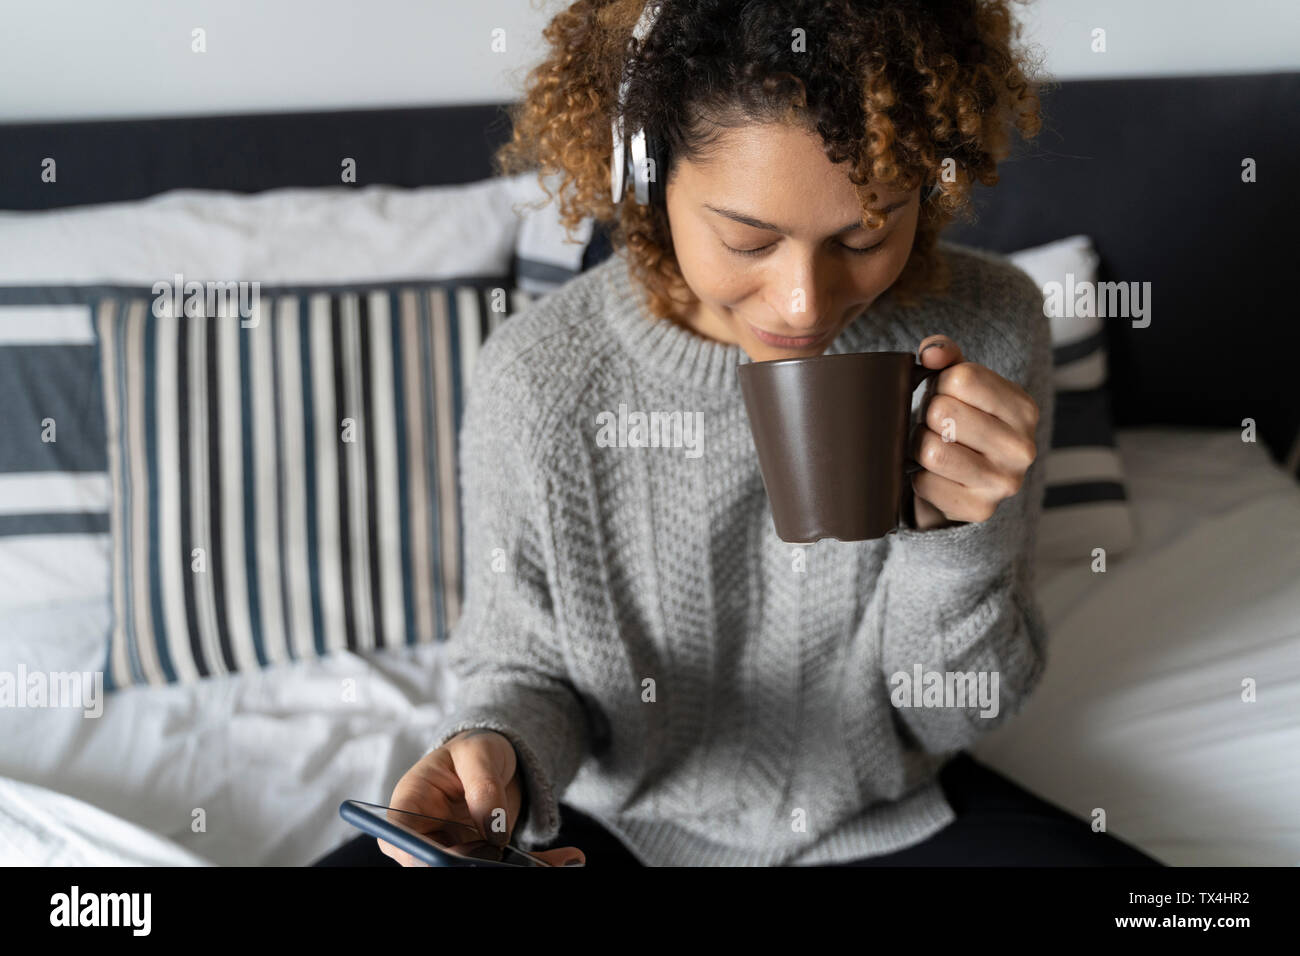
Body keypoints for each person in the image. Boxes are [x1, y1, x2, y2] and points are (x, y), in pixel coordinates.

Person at [315, 0, 1162, 868]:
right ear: (644, 178)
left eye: (866, 233)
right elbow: (525, 670)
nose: (806, 304)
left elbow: (956, 712)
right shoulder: (538, 377)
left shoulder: (988, 330)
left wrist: (953, 546)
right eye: (748, 240)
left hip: (886, 816)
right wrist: (494, 755)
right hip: (609, 830)